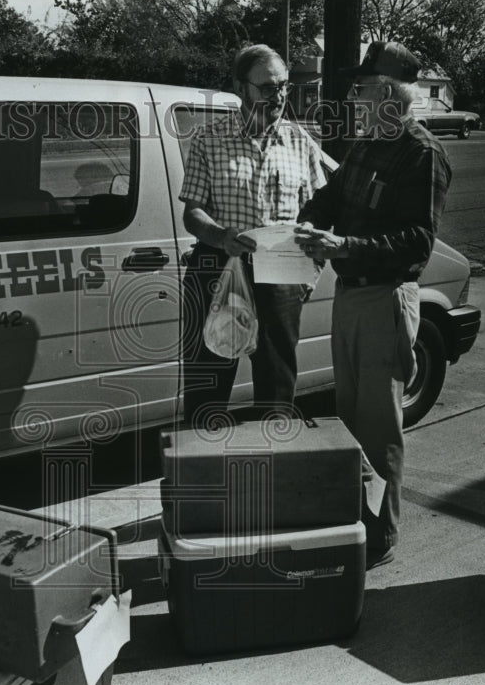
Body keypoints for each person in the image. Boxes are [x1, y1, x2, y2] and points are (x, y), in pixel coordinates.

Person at [295, 41, 452, 568]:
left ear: (387, 93)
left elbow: (417, 243)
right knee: (347, 419)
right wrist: (307, 221)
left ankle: (380, 536)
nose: (353, 96)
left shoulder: (421, 153)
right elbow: (332, 197)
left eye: (360, 88)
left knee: (379, 426)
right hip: (351, 296)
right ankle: (353, 522)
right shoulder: (367, 145)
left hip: (386, 300)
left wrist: (346, 247)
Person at [180, 44, 328, 426]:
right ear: (240, 88)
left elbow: (319, 212)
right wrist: (219, 234)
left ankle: (275, 474)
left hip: (282, 275)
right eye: (266, 88)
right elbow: (192, 213)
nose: (276, 97)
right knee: (207, 387)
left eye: (282, 87)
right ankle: (205, 475)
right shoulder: (208, 140)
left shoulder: (300, 142)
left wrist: (309, 273)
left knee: (277, 389)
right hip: (218, 271)